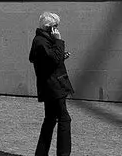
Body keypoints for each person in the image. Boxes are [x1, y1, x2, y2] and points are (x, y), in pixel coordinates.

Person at [29, 11, 73, 156]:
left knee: (50, 120)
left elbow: (50, 61)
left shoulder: (43, 41)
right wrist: (59, 41)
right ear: (49, 27)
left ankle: (41, 153)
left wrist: (61, 55)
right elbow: (53, 60)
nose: (57, 29)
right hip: (54, 86)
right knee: (64, 119)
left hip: (51, 85)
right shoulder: (41, 42)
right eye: (55, 26)